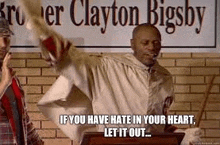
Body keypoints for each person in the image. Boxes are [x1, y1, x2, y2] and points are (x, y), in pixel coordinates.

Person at [19, 0, 202, 144]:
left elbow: (160, 123)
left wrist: (181, 134)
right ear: (132, 44)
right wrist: (43, 32)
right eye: (145, 43)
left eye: (156, 43)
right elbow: (69, 58)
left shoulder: (165, 77)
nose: (151, 48)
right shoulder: (105, 68)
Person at [0, 17, 44, 145]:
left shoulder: (11, 77)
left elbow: (23, 121)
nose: (3, 44)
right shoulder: (6, 79)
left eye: (6, 36)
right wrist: (3, 84)